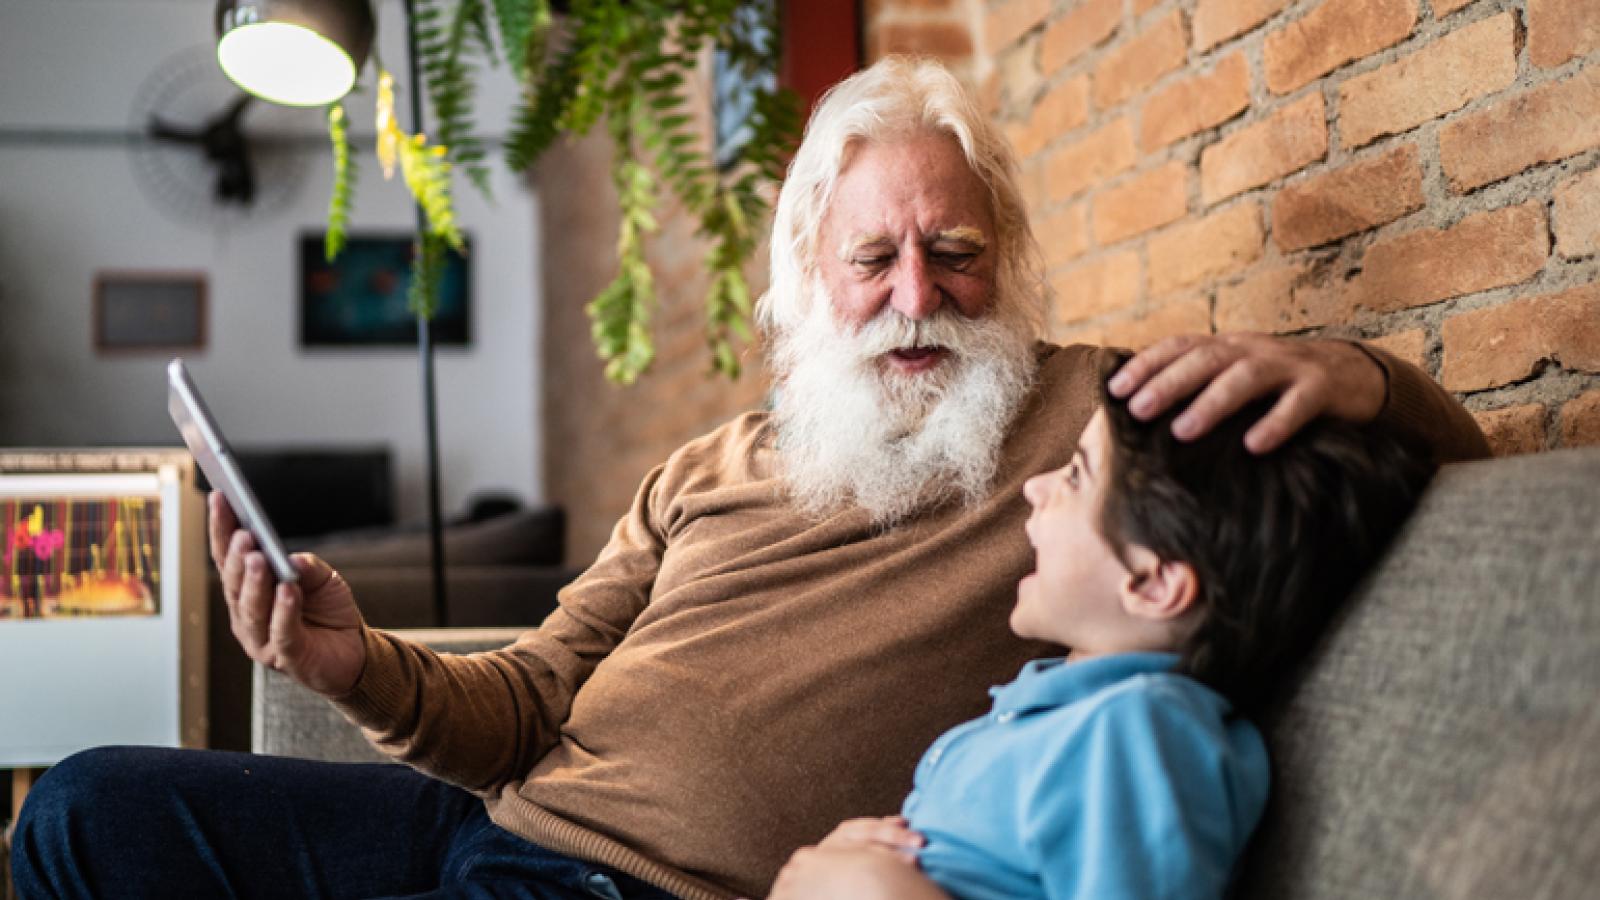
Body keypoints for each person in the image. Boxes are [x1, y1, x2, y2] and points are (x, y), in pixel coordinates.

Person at [12, 57, 1488, 900]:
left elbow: (1412, 464)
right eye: (873, 258)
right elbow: (525, 696)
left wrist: (1364, 375)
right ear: (808, 280)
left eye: (956, 252)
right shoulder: (708, 466)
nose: (917, 295)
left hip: (653, 896)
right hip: (490, 829)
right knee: (78, 811)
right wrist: (354, 666)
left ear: (1007, 263)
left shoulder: (1096, 431)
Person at [763, 354, 1437, 900]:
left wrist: (876, 890)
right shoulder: (1058, 707)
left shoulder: (1141, 732)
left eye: (1077, 476)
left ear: (1152, 583)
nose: (1035, 488)